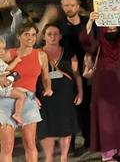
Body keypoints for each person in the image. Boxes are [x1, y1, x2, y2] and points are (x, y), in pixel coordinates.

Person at [79, 8, 120, 161]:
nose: (112, 28)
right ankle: (107, 154)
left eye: (115, 26)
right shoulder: (99, 43)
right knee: (105, 119)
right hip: (103, 87)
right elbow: (86, 42)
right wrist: (90, 22)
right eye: (109, 26)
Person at [0, 22, 53, 162]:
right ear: (19, 36)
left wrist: (48, 88)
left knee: (30, 144)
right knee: (7, 146)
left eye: (33, 35)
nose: (30, 38)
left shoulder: (41, 55)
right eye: (26, 34)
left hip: (28, 99)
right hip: (6, 99)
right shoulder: (9, 54)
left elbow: (46, 78)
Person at [37, 23, 82, 162]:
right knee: (46, 128)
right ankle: (49, 157)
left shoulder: (69, 53)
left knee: (66, 127)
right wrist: (32, 97)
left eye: (56, 34)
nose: (53, 37)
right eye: (49, 34)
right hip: (44, 95)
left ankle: (64, 157)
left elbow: (77, 74)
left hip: (65, 95)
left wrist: (80, 92)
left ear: (61, 36)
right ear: (44, 36)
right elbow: (30, 77)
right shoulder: (37, 54)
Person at [57, 0, 91, 153]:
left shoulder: (88, 23)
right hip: (67, 72)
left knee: (86, 108)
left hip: (87, 71)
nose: (69, 8)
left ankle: (89, 140)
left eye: (72, 5)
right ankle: (70, 145)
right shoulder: (58, 26)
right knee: (68, 110)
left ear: (78, 7)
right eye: (66, 5)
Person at [0, 38, 26, 125]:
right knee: (21, 96)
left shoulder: (1, 61)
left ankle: (17, 114)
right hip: (3, 89)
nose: (2, 51)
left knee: (21, 94)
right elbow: (8, 69)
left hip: (5, 88)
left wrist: (16, 61)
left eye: (3, 49)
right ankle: (17, 114)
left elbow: (8, 68)